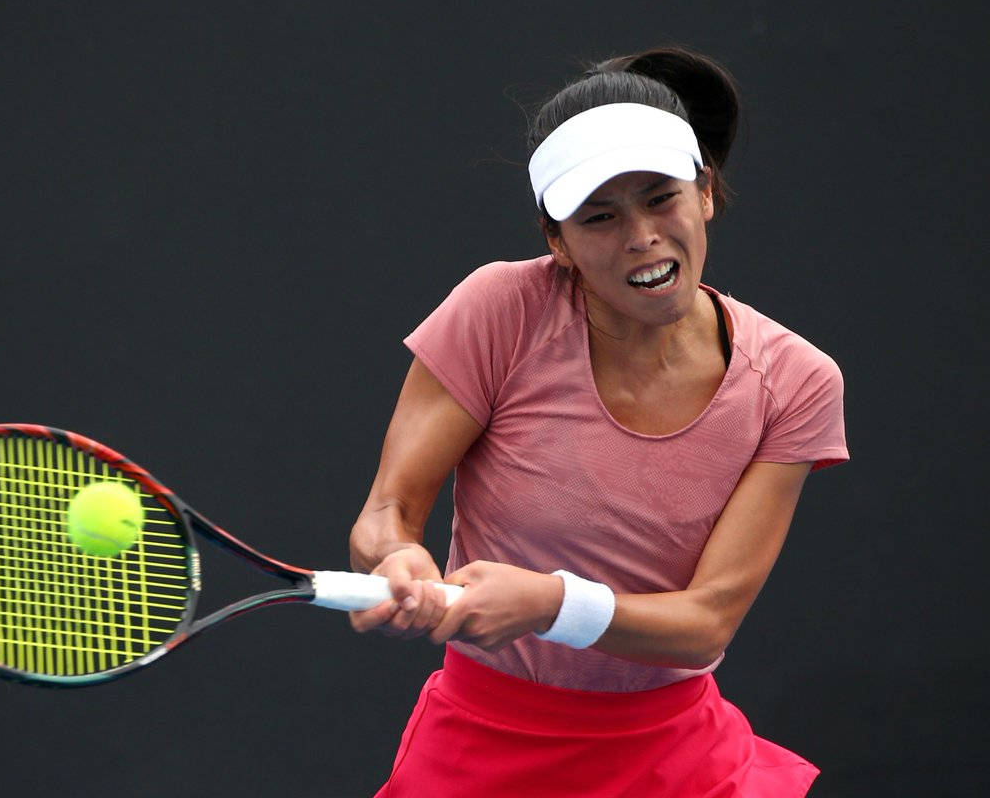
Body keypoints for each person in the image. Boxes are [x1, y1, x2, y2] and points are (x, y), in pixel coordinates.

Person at [349, 46, 847, 797]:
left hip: (679, 759)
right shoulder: (498, 309)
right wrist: (397, 560)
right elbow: (389, 511)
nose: (641, 234)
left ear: (705, 191)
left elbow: (707, 621)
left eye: (660, 197)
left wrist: (550, 602)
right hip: (485, 743)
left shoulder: (797, 381)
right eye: (600, 216)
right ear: (558, 242)